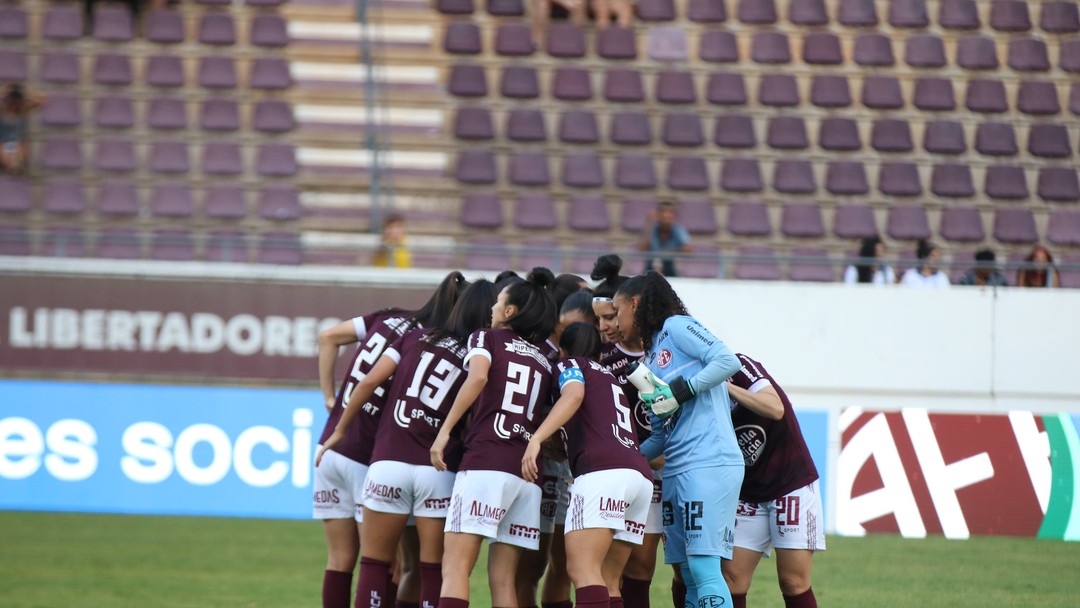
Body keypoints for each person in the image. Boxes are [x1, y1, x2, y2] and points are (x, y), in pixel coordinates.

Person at [316, 280, 499, 608]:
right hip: (437, 470)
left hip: (387, 463)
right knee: (430, 569)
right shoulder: (480, 357)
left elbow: (370, 380)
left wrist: (341, 426)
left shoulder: (413, 336)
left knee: (374, 563)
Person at [612, 272, 744, 608]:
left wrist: (681, 391)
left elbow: (728, 361)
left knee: (703, 567)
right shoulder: (650, 358)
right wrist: (621, 459)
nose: (615, 322)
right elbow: (659, 437)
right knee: (686, 572)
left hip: (709, 462)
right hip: (675, 470)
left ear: (635, 303)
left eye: (617, 311)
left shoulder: (677, 326)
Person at [430, 268, 558, 608]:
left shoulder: (485, 337)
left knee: (455, 569)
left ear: (509, 311)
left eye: (498, 301)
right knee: (504, 583)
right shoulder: (544, 360)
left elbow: (477, 378)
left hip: (486, 463)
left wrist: (444, 432)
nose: (492, 306)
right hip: (527, 477)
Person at [522, 322, 654, 608]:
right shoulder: (613, 380)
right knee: (609, 579)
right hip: (640, 477)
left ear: (563, 350)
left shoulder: (569, 364)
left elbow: (573, 395)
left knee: (582, 571)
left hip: (602, 474)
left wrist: (536, 439)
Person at [722, 353, 825, 608]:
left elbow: (775, 408)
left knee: (793, 582)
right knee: (731, 580)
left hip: (790, 483)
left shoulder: (737, 365)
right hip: (748, 492)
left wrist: (727, 389)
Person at [590, 254, 663, 608]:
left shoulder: (659, 352)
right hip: (618, 470)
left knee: (642, 568)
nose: (605, 326)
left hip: (661, 471)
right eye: (599, 319)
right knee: (611, 570)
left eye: (610, 316)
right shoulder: (600, 359)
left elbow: (664, 408)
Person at [0, 84, 45, 175]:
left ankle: (16, 165)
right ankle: (10, 164)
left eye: (17, 102)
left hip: (19, 142)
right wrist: (5, 91)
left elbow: (42, 99)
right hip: (3, 142)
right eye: (12, 102)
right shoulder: (2, 111)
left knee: (19, 151)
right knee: (7, 152)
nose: (14, 105)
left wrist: (24, 90)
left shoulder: (24, 110)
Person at [639, 201, 691, 277]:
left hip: (670, 265)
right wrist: (649, 223)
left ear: (674, 215)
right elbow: (643, 249)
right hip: (651, 266)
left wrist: (668, 253)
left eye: (670, 212)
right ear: (658, 214)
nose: (666, 215)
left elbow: (688, 249)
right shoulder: (651, 229)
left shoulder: (678, 230)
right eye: (663, 212)